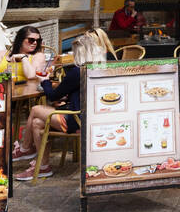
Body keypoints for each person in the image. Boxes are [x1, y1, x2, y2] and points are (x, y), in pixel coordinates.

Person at [14, 30, 110, 180]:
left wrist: (44, 81)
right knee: (37, 123)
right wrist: (67, 95)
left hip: (76, 120)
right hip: (91, 118)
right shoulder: (99, 69)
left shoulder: (78, 71)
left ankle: (25, 149)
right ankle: (43, 167)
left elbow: (52, 96)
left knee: (35, 109)